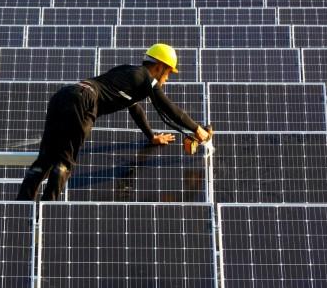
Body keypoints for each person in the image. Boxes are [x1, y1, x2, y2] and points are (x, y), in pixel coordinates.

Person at [16, 43, 212, 201]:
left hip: (63, 95)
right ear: (159, 66)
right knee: (64, 162)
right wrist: (197, 129)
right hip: (85, 100)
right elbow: (168, 108)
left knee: (45, 159)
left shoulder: (129, 73)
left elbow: (135, 108)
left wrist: (151, 136)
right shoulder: (147, 78)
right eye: (168, 73)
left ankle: (21, 206)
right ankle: (48, 210)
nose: (167, 78)